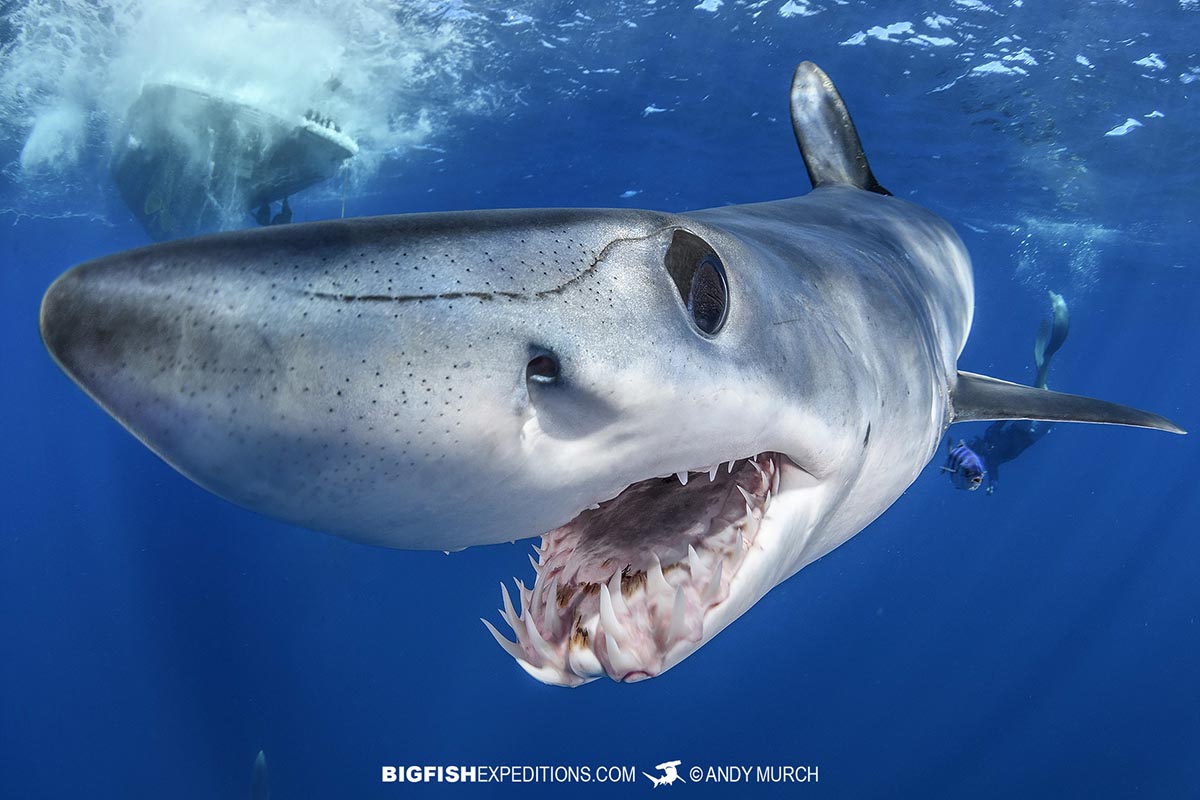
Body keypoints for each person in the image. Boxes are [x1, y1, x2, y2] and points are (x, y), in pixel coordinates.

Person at [943, 291, 1070, 495]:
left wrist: (992, 484)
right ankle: (1044, 372)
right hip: (1030, 430)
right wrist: (993, 484)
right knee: (1042, 388)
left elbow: (1003, 418)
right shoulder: (990, 451)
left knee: (1042, 387)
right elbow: (1003, 418)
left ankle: (1044, 371)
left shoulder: (989, 444)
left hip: (1028, 427)